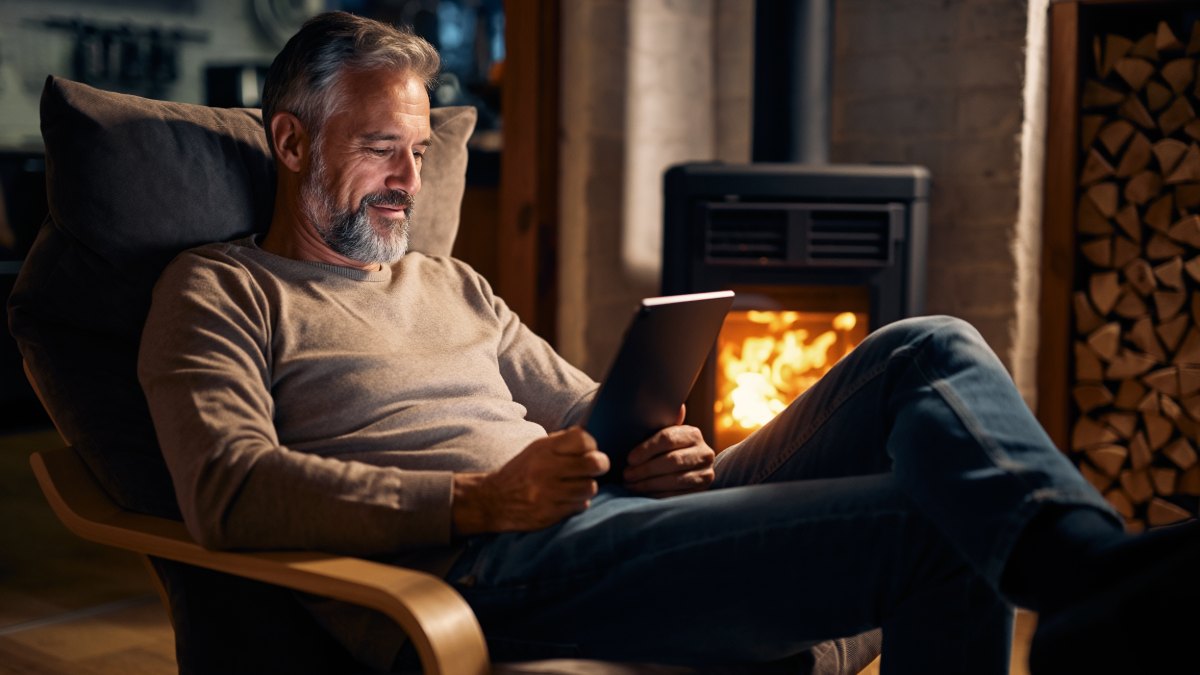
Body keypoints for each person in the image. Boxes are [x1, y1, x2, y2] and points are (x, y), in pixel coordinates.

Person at [137, 11, 1198, 674]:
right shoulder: (222, 289)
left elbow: (585, 407)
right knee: (927, 524)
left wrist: (653, 446)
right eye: (382, 151)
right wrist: (474, 501)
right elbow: (229, 487)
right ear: (288, 141)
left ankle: (1085, 570)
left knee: (928, 343)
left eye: (419, 151)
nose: (413, 183)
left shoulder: (449, 281)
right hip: (488, 566)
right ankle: (1104, 604)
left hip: (604, 517)